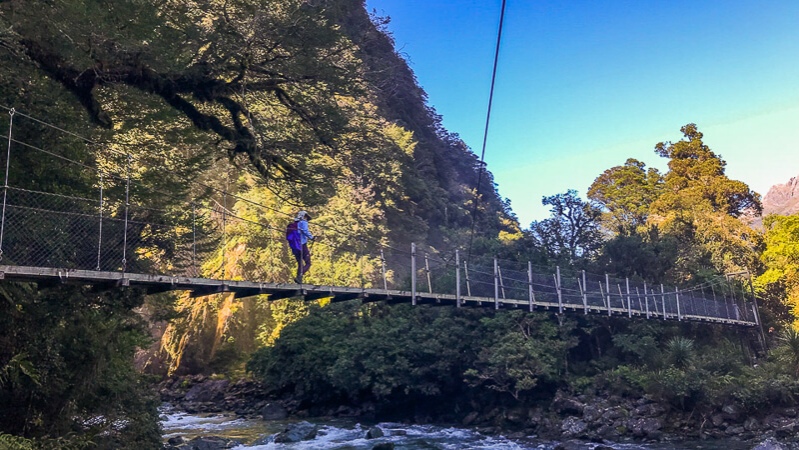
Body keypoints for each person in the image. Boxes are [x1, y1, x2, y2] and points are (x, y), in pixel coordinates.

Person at [288, 210, 314, 283]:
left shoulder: (295, 223)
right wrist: (312, 237)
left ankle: (298, 278)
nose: (306, 219)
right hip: (302, 244)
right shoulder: (303, 222)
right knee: (308, 263)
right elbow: (305, 231)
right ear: (304, 216)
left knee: (300, 263)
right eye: (306, 217)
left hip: (295, 246)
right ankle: (300, 276)